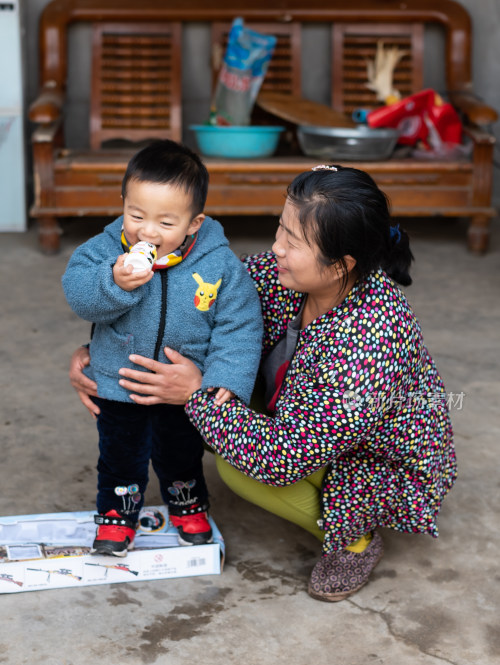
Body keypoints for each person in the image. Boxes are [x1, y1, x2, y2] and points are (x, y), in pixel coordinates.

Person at [69, 164, 457, 601]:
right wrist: (102, 354)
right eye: (280, 229)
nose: (275, 247)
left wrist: (195, 395)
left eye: (292, 241)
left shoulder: (370, 342)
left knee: (243, 468)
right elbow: (187, 308)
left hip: (371, 459)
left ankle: (354, 539)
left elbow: (282, 457)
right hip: (300, 414)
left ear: (341, 265)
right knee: (219, 380)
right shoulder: (283, 277)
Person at [62, 139, 263, 556]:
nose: (147, 232)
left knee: (181, 454)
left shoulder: (219, 264)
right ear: (123, 203)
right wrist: (112, 283)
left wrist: (224, 378)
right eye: (136, 215)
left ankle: (188, 505)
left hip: (182, 388)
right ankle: (117, 515)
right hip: (120, 385)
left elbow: (239, 325)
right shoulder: (103, 252)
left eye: (166, 223)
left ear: (194, 223)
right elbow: (78, 294)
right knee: (119, 456)